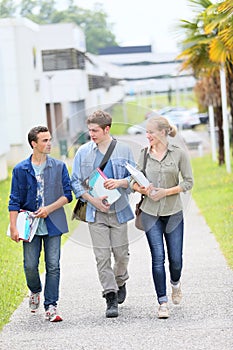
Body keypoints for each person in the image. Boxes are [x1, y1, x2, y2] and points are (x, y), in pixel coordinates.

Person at [71, 110, 135, 318]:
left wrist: (121, 182)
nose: (92, 134)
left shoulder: (124, 150)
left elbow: (134, 179)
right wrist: (93, 201)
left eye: (95, 130)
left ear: (107, 129)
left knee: (121, 255)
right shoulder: (83, 152)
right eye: (89, 130)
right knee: (101, 257)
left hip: (119, 211)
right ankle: (110, 296)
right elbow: (75, 182)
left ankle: (120, 280)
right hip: (94, 213)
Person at [131, 115, 193, 319]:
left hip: (173, 211)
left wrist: (165, 192)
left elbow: (188, 183)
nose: (147, 135)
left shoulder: (179, 154)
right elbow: (133, 182)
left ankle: (175, 283)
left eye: (150, 132)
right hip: (150, 212)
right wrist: (144, 189)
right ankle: (162, 302)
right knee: (158, 257)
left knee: (175, 259)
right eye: (146, 132)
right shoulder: (144, 154)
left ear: (163, 132)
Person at [8, 126, 72, 322]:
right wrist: (13, 227)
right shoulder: (21, 169)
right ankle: (35, 290)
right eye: (44, 140)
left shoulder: (59, 166)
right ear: (33, 144)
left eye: (49, 139)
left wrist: (49, 209)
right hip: (30, 226)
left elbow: (67, 196)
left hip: (54, 224)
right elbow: (14, 200)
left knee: (53, 266)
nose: (49, 143)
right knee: (30, 265)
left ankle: (51, 305)